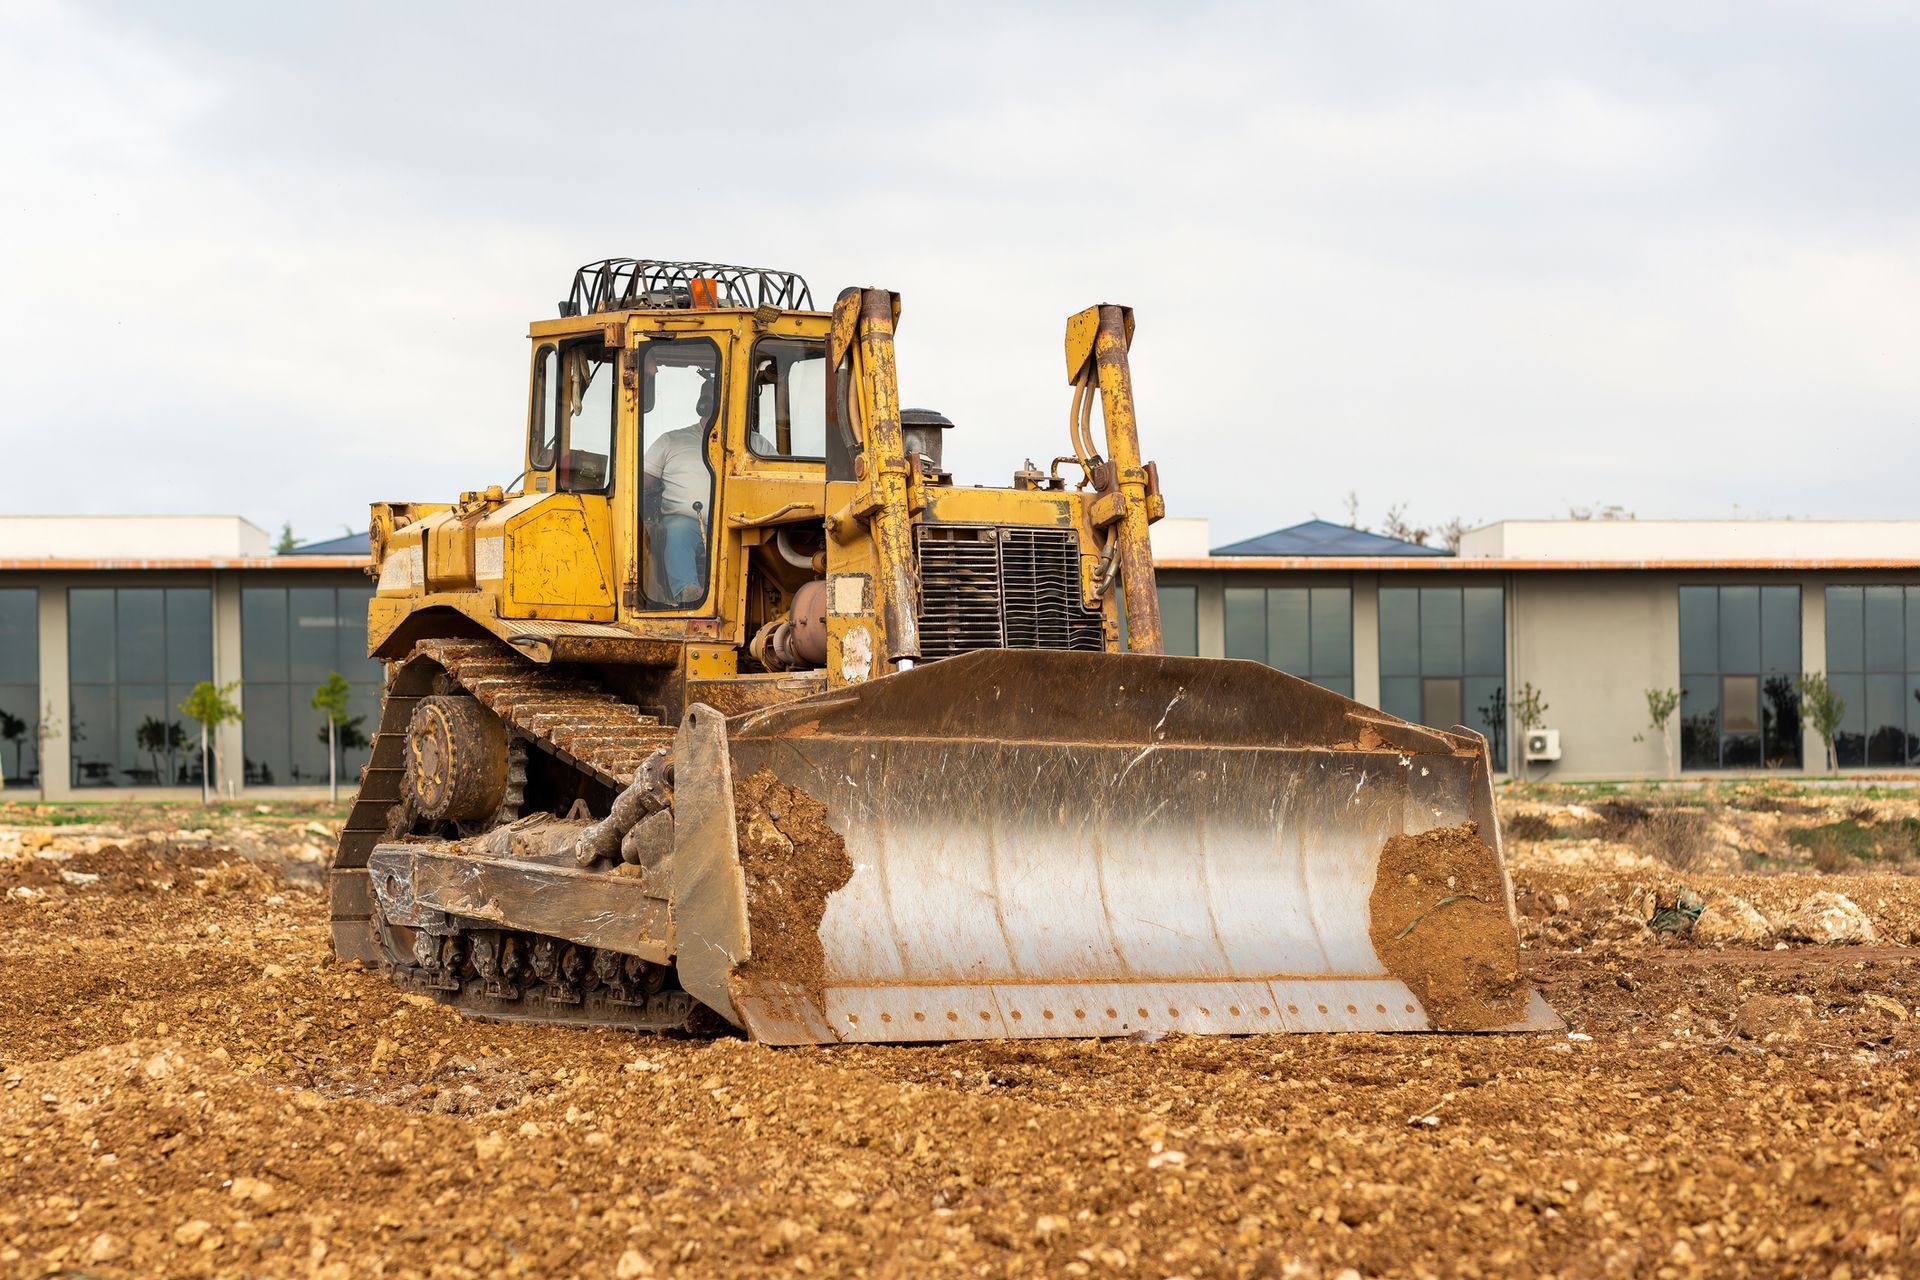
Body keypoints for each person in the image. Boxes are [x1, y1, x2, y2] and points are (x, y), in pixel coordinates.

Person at [642, 381, 714, 602]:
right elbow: (642, 479)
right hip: (688, 522)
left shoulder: (758, 444)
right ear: (703, 404)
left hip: (744, 524)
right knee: (676, 532)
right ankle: (689, 591)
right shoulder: (671, 441)